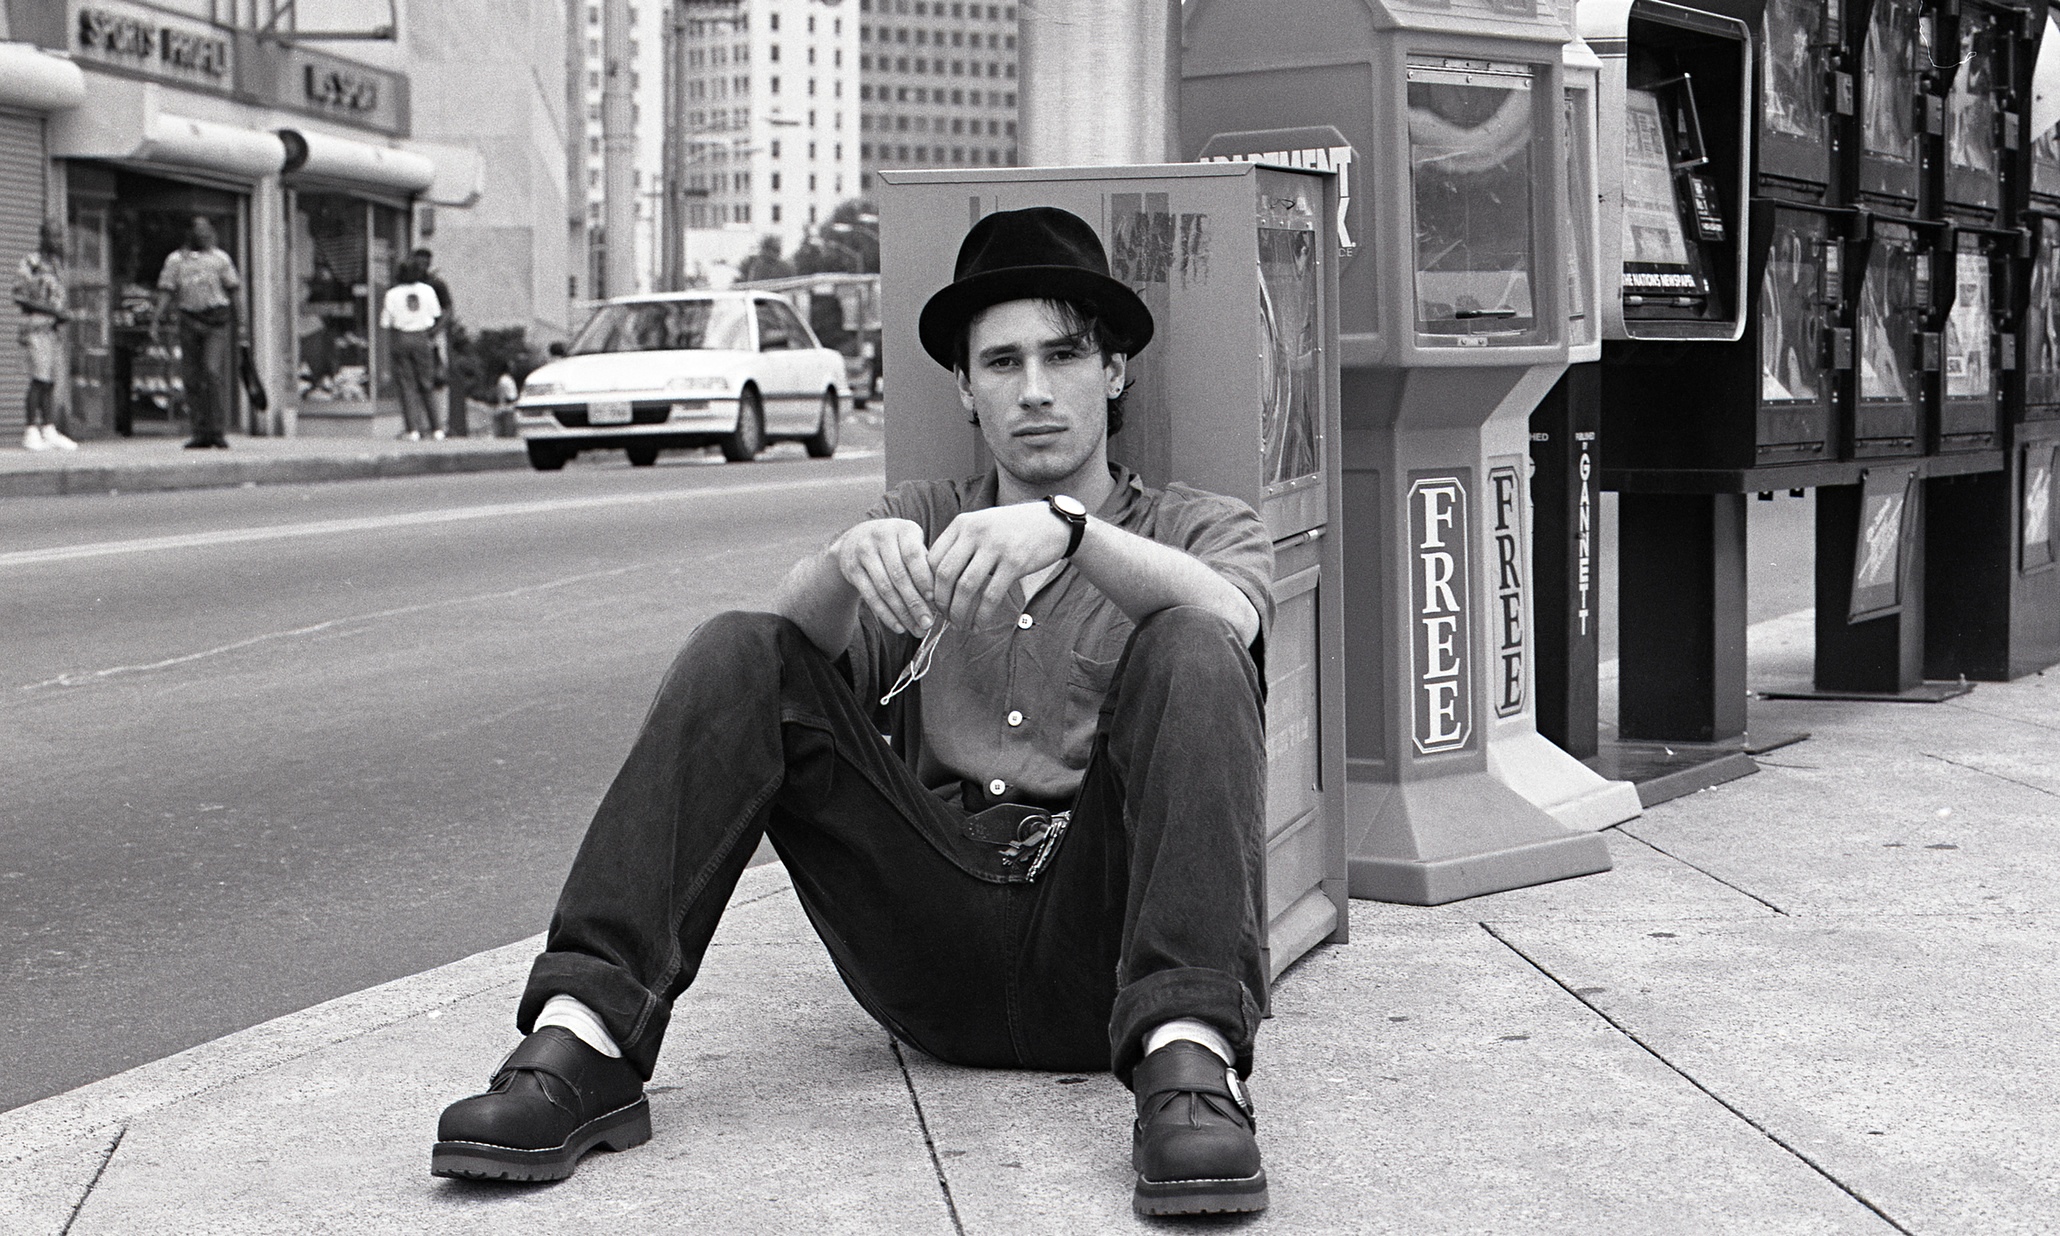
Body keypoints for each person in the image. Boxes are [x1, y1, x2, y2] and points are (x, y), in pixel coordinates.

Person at [430, 206, 1276, 1217]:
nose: (1036, 390)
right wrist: (838, 567)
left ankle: (1192, 1071)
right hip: (926, 932)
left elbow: (1231, 620)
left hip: (1105, 945)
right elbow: (781, 654)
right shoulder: (920, 521)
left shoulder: (1189, 526)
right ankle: (585, 1041)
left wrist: (1070, 534)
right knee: (742, 643)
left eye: (1064, 355)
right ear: (964, 389)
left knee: (1190, 637)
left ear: (1116, 372)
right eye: (1001, 363)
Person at [152, 217, 240, 450]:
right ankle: (200, 431)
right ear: (190, 233)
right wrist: (156, 319)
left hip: (215, 321)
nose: (202, 235)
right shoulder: (176, 260)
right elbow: (167, 290)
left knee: (211, 372)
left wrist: (242, 324)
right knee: (191, 377)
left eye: (206, 231)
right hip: (189, 319)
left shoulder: (220, 259)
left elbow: (233, 291)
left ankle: (217, 430)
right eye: (197, 231)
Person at [13, 219, 75, 451]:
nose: (58, 241)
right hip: (36, 328)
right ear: (43, 237)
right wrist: (52, 311)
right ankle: (30, 430)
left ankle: (49, 429)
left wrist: (61, 314)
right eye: (53, 236)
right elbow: (20, 297)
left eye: (60, 236)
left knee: (50, 381)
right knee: (38, 380)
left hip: (53, 330)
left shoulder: (58, 266)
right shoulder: (31, 263)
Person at [381, 259, 443, 441]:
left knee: (407, 384)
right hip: (422, 337)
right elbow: (436, 315)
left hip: (401, 336)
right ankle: (437, 428)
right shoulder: (427, 290)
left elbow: (386, 322)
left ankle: (412, 429)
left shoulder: (392, 294)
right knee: (426, 382)